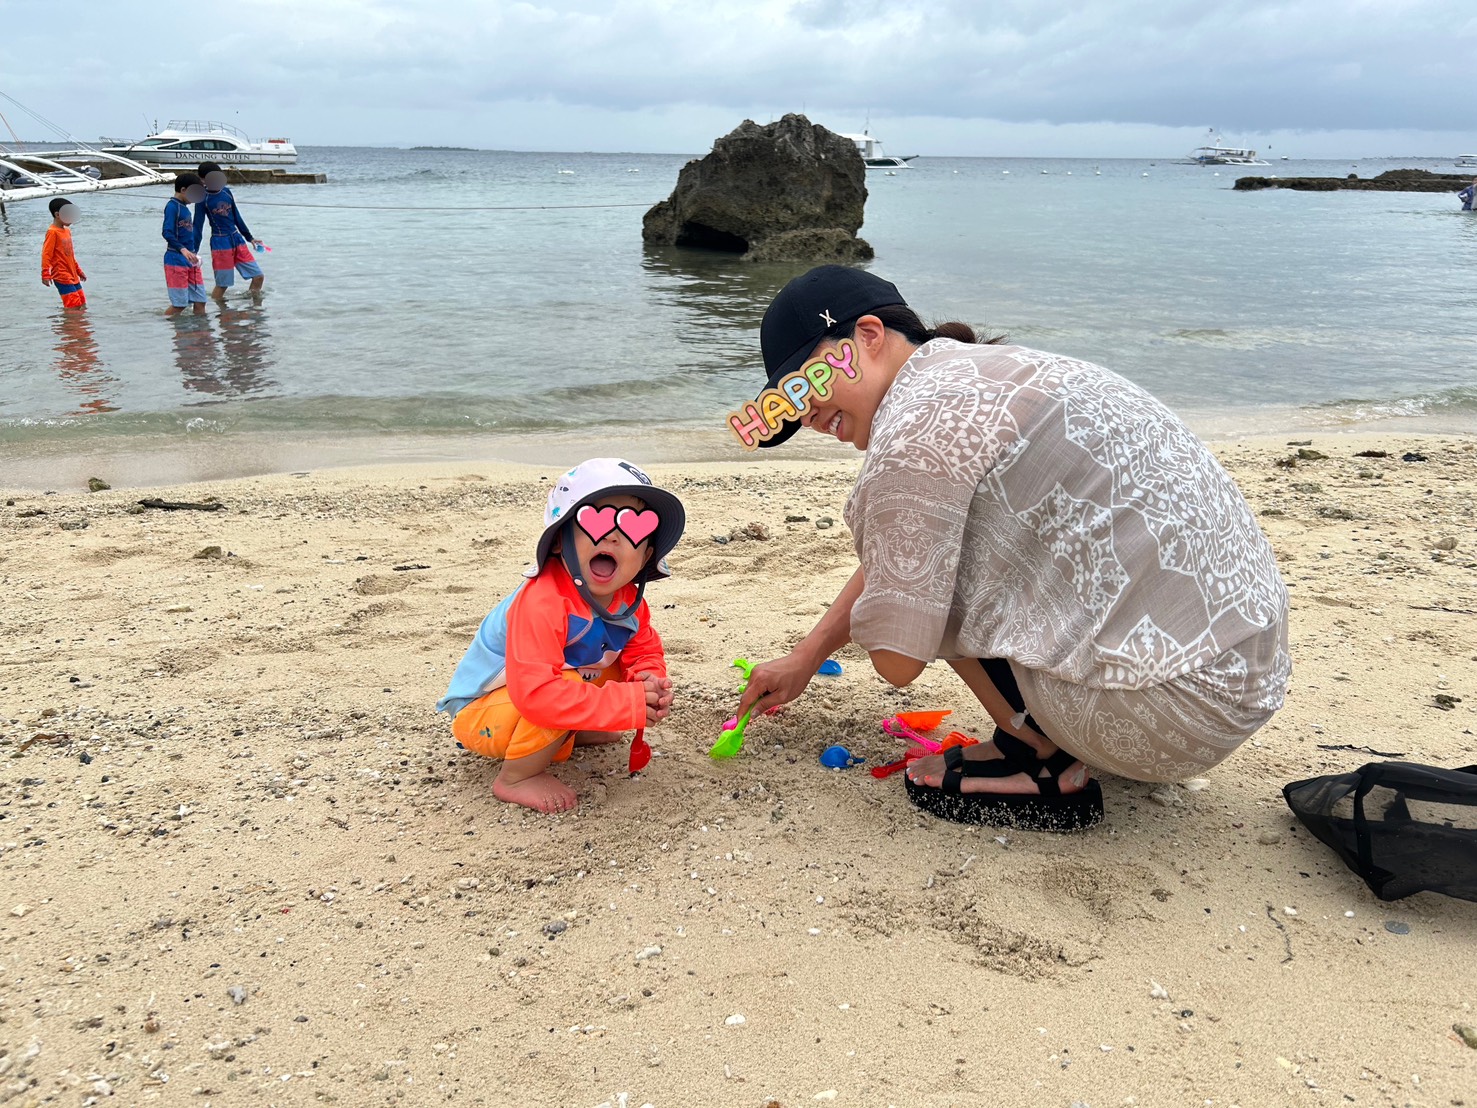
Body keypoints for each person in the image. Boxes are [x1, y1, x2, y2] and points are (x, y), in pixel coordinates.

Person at [734, 266, 1291, 831]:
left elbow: (896, 663)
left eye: (805, 385)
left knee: (932, 574)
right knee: (932, 551)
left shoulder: (913, 437)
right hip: (1243, 679)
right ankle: (1062, 722)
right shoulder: (986, 372)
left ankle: (1036, 759)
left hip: (1167, 720)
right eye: (790, 403)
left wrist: (906, 597)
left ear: (869, 336)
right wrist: (807, 656)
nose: (805, 416)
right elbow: (898, 559)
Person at [436, 459, 686, 813]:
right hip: (484, 712)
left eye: (632, 528)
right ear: (559, 541)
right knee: (563, 683)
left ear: (645, 556)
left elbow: (642, 644)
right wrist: (623, 704)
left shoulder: (629, 601)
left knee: (611, 669)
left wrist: (647, 676)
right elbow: (537, 694)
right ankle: (517, 777)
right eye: (596, 520)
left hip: (542, 691)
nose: (614, 535)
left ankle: (572, 732)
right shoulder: (542, 601)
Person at [192, 161, 263, 299]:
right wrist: (193, 250)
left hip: (237, 239)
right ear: (202, 180)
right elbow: (197, 226)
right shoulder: (202, 199)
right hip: (220, 243)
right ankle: (221, 314)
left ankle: (255, 312)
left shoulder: (227, 192)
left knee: (258, 276)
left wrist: (250, 238)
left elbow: (237, 216)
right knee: (223, 284)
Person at [163, 172, 208, 316]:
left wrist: (193, 252)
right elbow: (167, 232)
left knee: (200, 300)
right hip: (175, 259)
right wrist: (182, 249)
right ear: (183, 190)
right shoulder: (172, 207)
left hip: (191, 260)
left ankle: (201, 334)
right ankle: (164, 325)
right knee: (179, 305)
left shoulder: (185, 208)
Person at [40, 197, 86, 309]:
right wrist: (45, 273)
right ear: (57, 215)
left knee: (82, 303)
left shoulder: (67, 231)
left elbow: (69, 255)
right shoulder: (52, 232)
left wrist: (79, 271)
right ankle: (70, 326)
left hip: (72, 274)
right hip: (61, 275)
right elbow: (46, 254)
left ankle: (76, 326)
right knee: (73, 305)